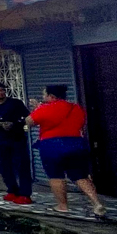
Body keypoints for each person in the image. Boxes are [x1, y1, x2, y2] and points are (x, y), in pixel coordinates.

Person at [26, 85, 104, 216]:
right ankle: (97, 203)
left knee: (56, 176)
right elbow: (80, 123)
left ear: (52, 96)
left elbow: (29, 122)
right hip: (76, 144)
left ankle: (62, 206)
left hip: (51, 145)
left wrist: (37, 109)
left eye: (44, 94)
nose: (43, 97)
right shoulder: (76, 107)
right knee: (81, 176)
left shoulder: (44, 109)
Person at [0, 81, 33, 204]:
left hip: (17, 138)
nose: (0, 93)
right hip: (0, 139)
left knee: (22, 165)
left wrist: (14, 123)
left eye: (2, 90)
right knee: (5, 166)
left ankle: (25, 193)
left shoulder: (15, 103)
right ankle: (12, 190)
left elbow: (27, 117)